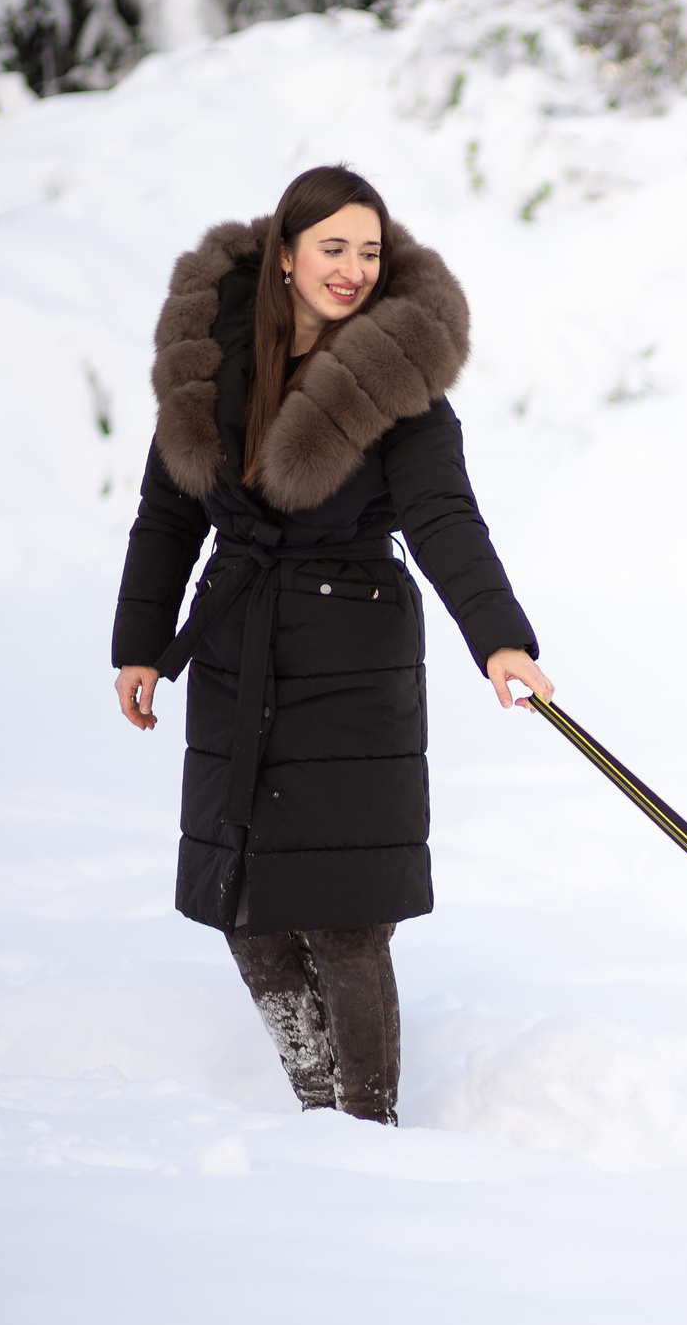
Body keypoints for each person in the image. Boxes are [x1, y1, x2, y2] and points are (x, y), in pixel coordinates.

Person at [109, 164, 552, 1125]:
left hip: (354, 653)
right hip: (239, 648)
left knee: (350, 917)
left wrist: (500, 641)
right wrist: (141, 643)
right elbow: (165, 515)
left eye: (369, 252)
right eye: (333, 249)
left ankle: (366, 1126)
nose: (352, 270)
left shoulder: (401, 380)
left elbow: (445, 517)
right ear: (284, 257)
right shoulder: (208, 366)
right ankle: (315, 1101)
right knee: (246, 908)